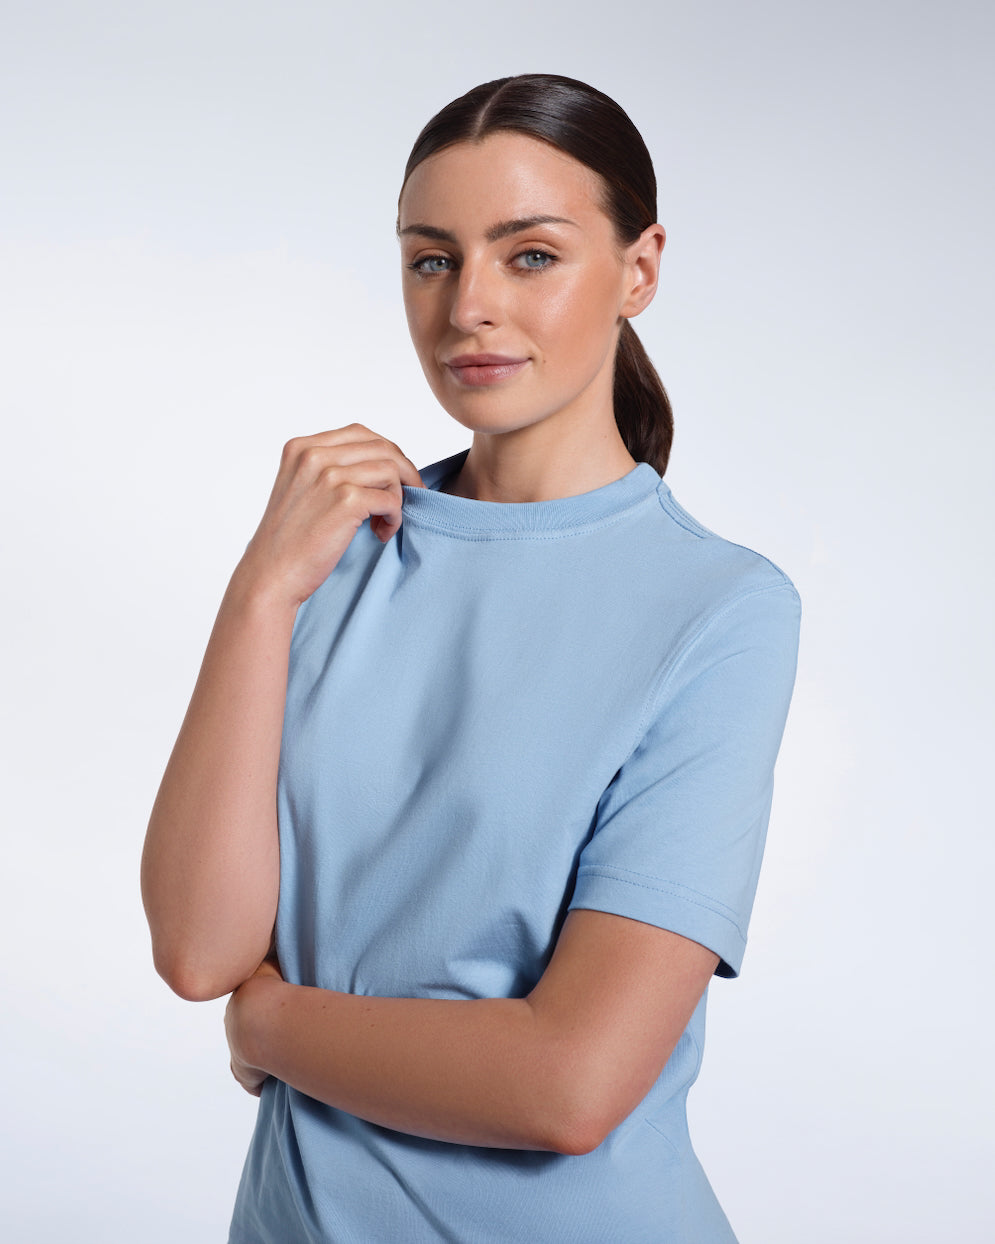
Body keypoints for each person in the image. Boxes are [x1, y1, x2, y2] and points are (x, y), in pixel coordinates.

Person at [141, 73, 800, 1243]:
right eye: (431, 258)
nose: (468, 308)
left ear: (638, 268)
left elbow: (566, 1082)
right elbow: (200, 947)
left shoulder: (717, 609)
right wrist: (257, 592)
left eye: (530, 255)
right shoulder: (327, 553)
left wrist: (270, 1030)